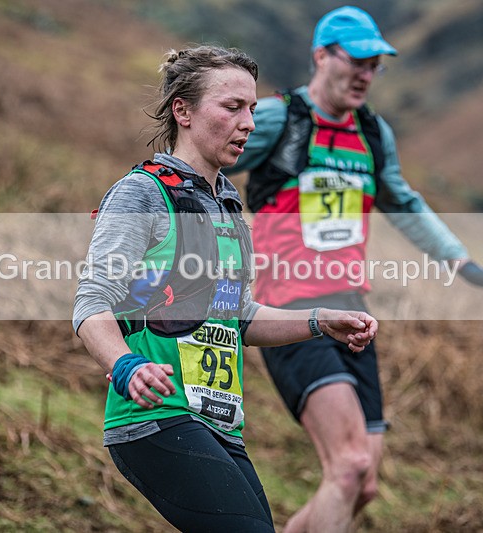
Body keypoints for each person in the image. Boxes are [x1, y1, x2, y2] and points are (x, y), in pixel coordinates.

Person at [225, 7, 483, 533]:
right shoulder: (277, 118)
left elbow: (402, 201)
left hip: (352, 312)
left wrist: (463, 263)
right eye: (357, 60)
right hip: (290, 307)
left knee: (365, 483)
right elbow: (207, 155)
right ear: (321, 55)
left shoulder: (373, 133)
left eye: (375, 64)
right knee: (349, 465)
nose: (365, 74)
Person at [72, 45, 379, 533]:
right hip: (157, 418)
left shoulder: (227, 203)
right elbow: (91, 303)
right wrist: (124, 364)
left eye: (253, 109)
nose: (250, 124)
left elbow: (238, 316)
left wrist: (321, 322)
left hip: (219, 425)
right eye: (233, 107)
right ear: (183, 111)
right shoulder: (143, 192)